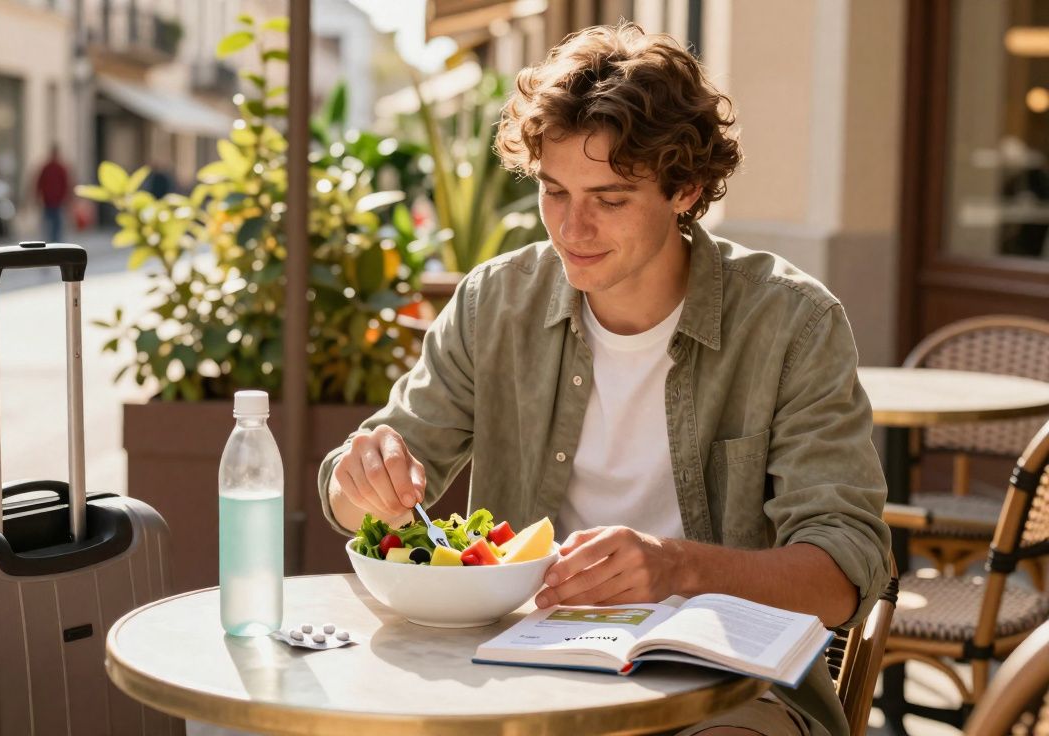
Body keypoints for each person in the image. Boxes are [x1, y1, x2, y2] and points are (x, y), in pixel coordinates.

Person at [317, 23, 889, 736]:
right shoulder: (496, 303)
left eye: (610, 199)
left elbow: (844, 573)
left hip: (728, 694)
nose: (571, 228)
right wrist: (361, 480)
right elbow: (363, 490)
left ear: (686, 189)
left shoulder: (790, 324)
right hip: (514, 679)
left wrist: (677, 568)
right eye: (554, 192)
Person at [33, 143, 70, 243]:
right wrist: (37, 197)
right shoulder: (47, 168)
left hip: (57, 202)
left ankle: (55, 244)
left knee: (56, 227)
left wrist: (67, 199)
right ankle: (51, 243)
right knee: (49, 226)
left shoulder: (60, 168)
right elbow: (39, 183)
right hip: (48, 202)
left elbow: (66, 185)